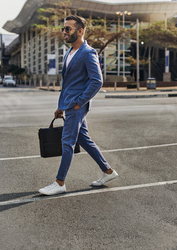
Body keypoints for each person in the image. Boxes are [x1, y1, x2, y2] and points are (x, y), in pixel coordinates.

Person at [39, 15, 118, 196]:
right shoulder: (69, 52)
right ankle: (108, 172)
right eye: (63, 29)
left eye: (68, 29)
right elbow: (68, 84)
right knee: (83, 139)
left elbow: (96, 81)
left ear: (80, 31)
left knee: (67, 142)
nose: (64, 32)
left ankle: (60, 182)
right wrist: (61, 106)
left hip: (76, 106)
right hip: (69, 104)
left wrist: (78, 102)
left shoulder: (88, 52)